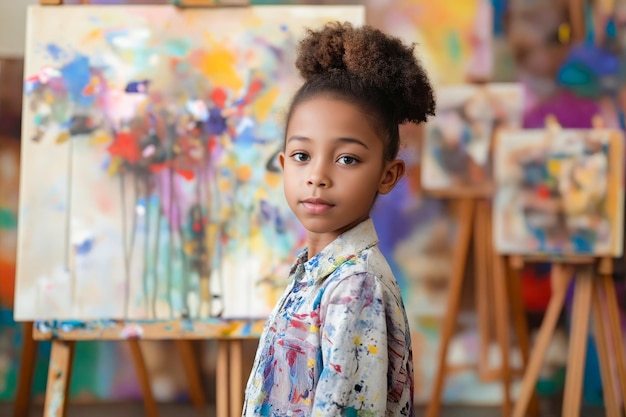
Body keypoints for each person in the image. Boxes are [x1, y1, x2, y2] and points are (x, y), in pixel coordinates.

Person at [243, 21, 435, 417]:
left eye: (347, 158)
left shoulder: (356, 286)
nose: (317, 175)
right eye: (301, 156)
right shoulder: (314, 272)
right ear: (283, 164)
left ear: (388, 175)